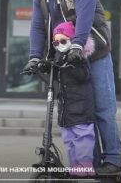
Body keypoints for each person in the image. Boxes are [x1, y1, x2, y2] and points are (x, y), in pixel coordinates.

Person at [23, 0, 121, 174]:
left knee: (103, 109)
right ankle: (90, 163)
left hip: (95, 54)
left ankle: (113, 159)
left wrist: (78, 44)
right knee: (83, 113)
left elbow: (85, 19)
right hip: (67, 58)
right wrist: (34, 56)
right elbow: (38, 26)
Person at [52, 21, 96, 177]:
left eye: (63, 41)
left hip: (81, 106)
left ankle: (85, 164)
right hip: (67, 107)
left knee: (83, 136)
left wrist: (73, 62)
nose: (60, 45)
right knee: (69, 138)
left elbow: (84, 76)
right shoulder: (60, 57)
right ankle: (75, 165)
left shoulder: (79, 57)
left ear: (72, 39)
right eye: (56, 42)